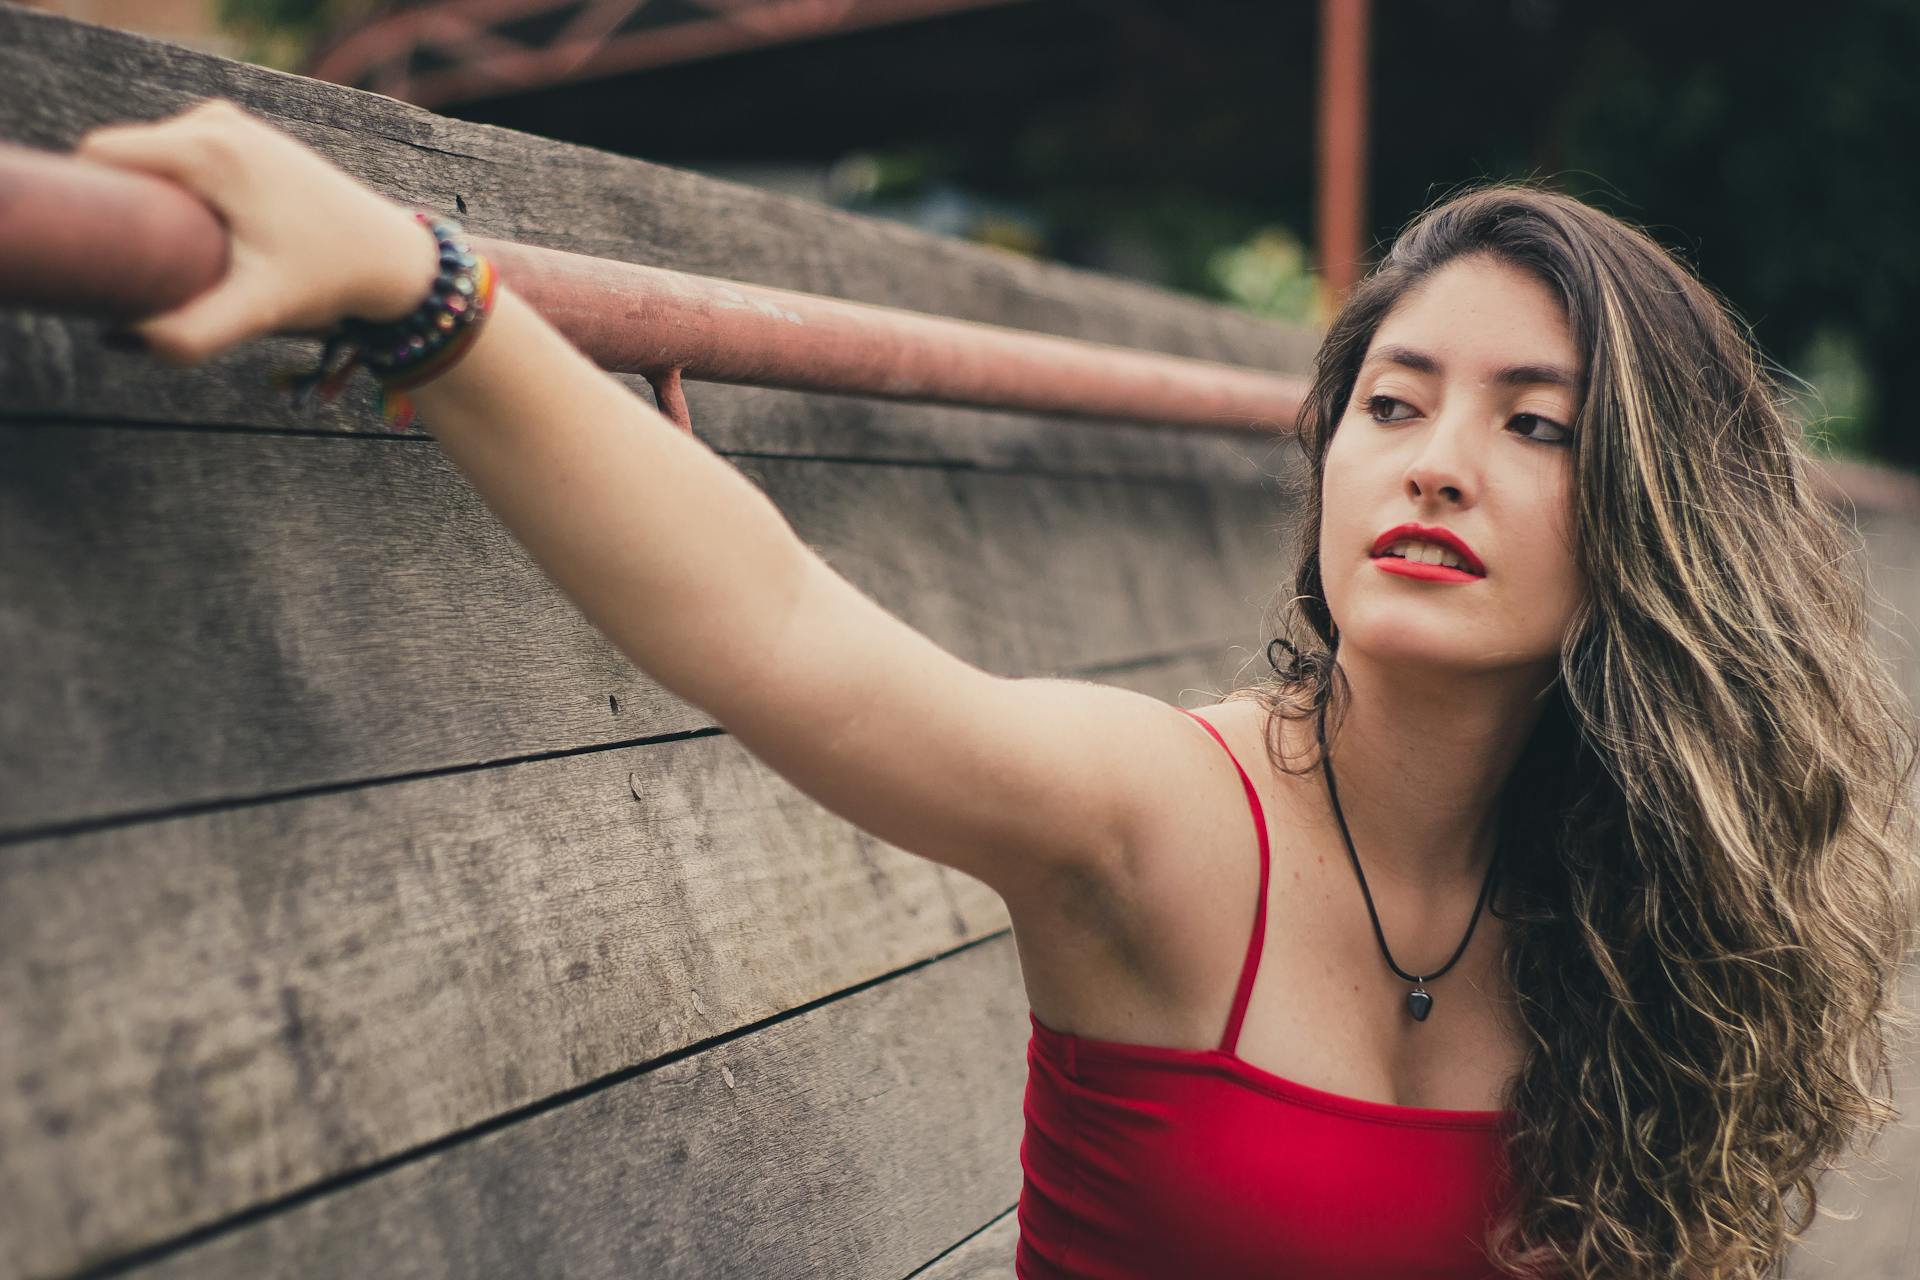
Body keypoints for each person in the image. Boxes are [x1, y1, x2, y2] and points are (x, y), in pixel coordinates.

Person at [73, 99, 1918, 1279]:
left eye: (1537, 427)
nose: (1435, 463)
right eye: (1393, 400)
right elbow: (777, 624)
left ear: (1652, 525)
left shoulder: (1646, 922)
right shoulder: (1159, 819)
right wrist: (426, 292)